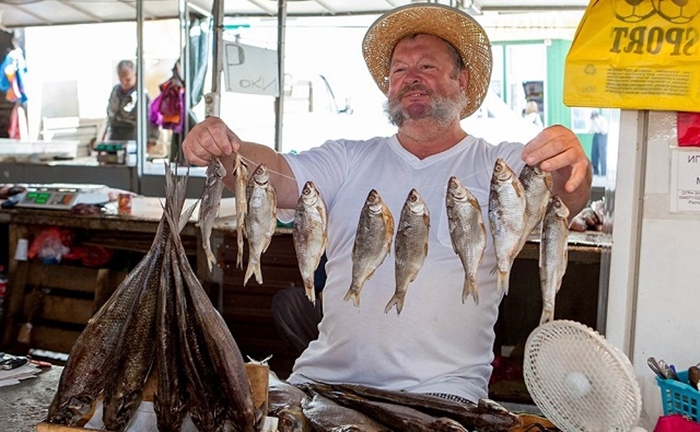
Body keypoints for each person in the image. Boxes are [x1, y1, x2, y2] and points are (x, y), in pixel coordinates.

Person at [182, 3, 592, 404]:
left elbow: (564, 196)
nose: (411, 78)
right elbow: (274, 175)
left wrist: (570, 159)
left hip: (444, 393)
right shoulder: (347, 158)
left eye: (427, 67)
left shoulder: (497, 163)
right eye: (399, 70)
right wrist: (224, 146)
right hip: (325, 382)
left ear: (462, 80)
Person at [105, 60, 158, 144]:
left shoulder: (141, 95)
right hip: (115, 135)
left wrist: (151, 140)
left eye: (127, 79)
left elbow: (150, 119)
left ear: (135, 75)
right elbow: (110, 113)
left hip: (134, 135)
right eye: (120, 79)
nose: (123, 83)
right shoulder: (115, 91)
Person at [589, 111, 608, 176]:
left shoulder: (603, 120)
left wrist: (597, 123)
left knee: (602, 154)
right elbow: (592, 129)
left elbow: (603, 131)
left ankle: (603, 172)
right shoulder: (593, 121)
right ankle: (595, 170)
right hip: (596, 135)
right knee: (594, 153)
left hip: (602, 136)